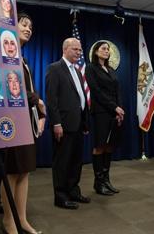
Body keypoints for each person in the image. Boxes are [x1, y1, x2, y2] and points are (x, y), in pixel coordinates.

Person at [2, 13, 46, 234]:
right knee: (11, 172)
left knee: (24, 171)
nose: (28, 29)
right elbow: (10, 89)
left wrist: (38, 110)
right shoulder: (5, 55)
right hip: (11, 121)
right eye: (24, 24)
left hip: (26, 121)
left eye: (31, 26)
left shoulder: (24, 59)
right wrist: (36, 99)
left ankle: (22, 219)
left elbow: (27, 90)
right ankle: (8, 221)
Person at [45, 37, 90, 210]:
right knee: (62, 162)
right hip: (63, 125)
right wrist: (56, 123)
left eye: (80, 50)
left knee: (76, 160)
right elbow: (52, 100)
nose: (79, 53)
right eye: (75, 49)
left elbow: (81, 98)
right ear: (65, 49)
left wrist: (85, 122)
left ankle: (73, 191)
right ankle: (60, 196)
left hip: (78, 124)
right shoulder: (54, 68)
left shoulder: (78, 70)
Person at [85, 41, 124, 196]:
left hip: (114, 112)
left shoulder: (110, 69)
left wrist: (119, 110)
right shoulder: (90, 68)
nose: (106, 51)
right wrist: (114, 107)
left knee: (110, 146)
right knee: (100, 145)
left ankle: (106, 181)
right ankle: (98, 183)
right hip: (101, 112)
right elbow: (96, 91)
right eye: (103, 49)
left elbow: (118, 91)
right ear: (95, 52)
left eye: (108, 49)